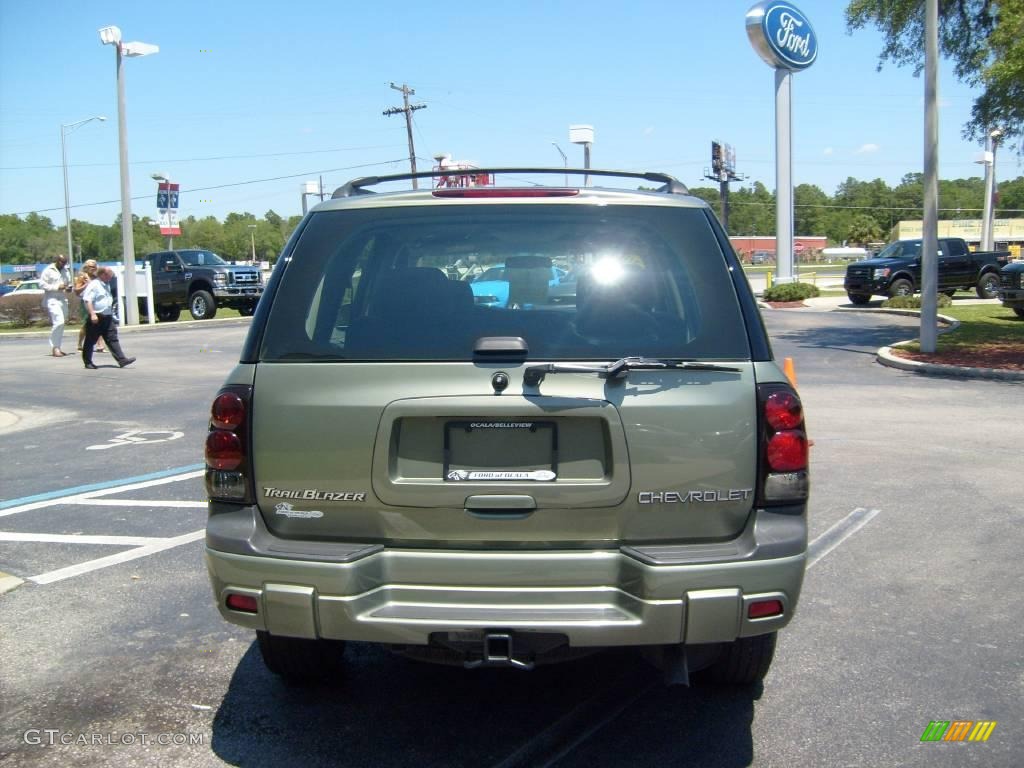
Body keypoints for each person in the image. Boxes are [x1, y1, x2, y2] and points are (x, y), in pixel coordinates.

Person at [81, 267, 135, 370]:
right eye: (108, 276)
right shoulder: (94, 285)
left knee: (112, 338)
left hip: (107, 316)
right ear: (102, 275)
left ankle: (121, 359)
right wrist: (92, 314)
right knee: (91, 340)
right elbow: (88, 300)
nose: (110, 279)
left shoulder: (106, 285)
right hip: (97, 316)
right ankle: (88, 362)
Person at [40, 253, 72, 357]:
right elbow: (42, 284)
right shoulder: (48, 270)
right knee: (59, 322)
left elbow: (68, 283)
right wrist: (56, 287)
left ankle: (58, 346)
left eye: (65, 263)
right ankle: (55, 348)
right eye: (62, 262)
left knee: (61, 324)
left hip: (62, 299)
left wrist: (68, 288)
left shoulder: (66, 271)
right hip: (52, 299)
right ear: (57, 261)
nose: (63, 264)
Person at [74, 260, 105, 353]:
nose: (93, 269)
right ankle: (80, 343)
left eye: (94, 267)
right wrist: (87, 284)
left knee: (99, 323)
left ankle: (100, 345)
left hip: (96, 303)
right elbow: (76, 291)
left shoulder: (97, 277)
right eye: (91, 267)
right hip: (86, 302)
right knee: (86, 325)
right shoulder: (82, 277)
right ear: (86, 267)